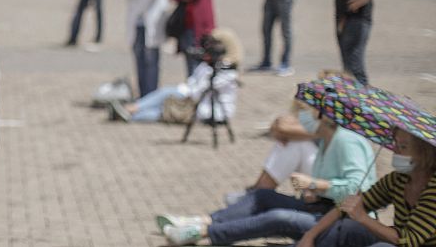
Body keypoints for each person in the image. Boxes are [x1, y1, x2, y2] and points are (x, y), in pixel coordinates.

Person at [157, 102, 376, 246]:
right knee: (263, 196)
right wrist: (314, 192)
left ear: (323, 114)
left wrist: (316, 185)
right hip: (322, 209)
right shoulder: (325, 139)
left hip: (340, 221)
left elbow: (359, 190)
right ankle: (206, 221)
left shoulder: (347, 140)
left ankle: (205, 232)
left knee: (277, 217)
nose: (303, 117)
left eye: (309, 112)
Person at [296, 128, 436, 247]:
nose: (395, 151)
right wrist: (310, 235)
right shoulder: (398, 179)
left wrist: (363, 217)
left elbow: (408, 241)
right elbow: (344, 208)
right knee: (346, 227)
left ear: (425, 154)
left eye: (403, 147)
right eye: (395, 144)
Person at [109, 28, 241, 124]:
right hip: (195, 102)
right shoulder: (210, 64)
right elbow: (194, 81)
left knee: (165, 109)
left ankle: (130, 112)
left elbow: (200, 91)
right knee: (165, 101)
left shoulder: (227, 70)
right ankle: (128, 112)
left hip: (210, 111)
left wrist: (183, 90)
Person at [119, 0, 170, 97]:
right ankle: (143, 94)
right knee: (139, 58)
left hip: (154, 20)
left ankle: (152, 93)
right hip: (137, 21)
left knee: (152, 59)